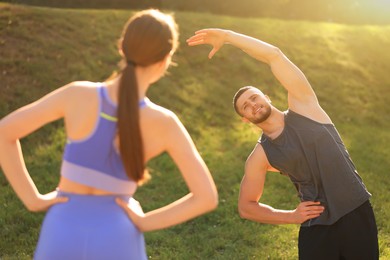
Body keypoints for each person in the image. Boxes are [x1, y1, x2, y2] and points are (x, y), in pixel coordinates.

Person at [0, 10, 218, 260]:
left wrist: (33, 199)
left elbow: (4, 132)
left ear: (122, 47)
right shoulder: (165, 123)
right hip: (118, 235)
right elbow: (206, 198)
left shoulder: (77, 95)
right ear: (165, 60)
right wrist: (145, 222)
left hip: (61, 229)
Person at [187, 29, 379, 259]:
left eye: (254, 98)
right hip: (317, 228)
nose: (253, 105)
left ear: (266, 96)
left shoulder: (305, 106)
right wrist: (290, 216)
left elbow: (274, 55)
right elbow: (246, 207)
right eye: (246, 106)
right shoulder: (261, 155)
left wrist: (228, 37)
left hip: (356, 212)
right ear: (245, 119)